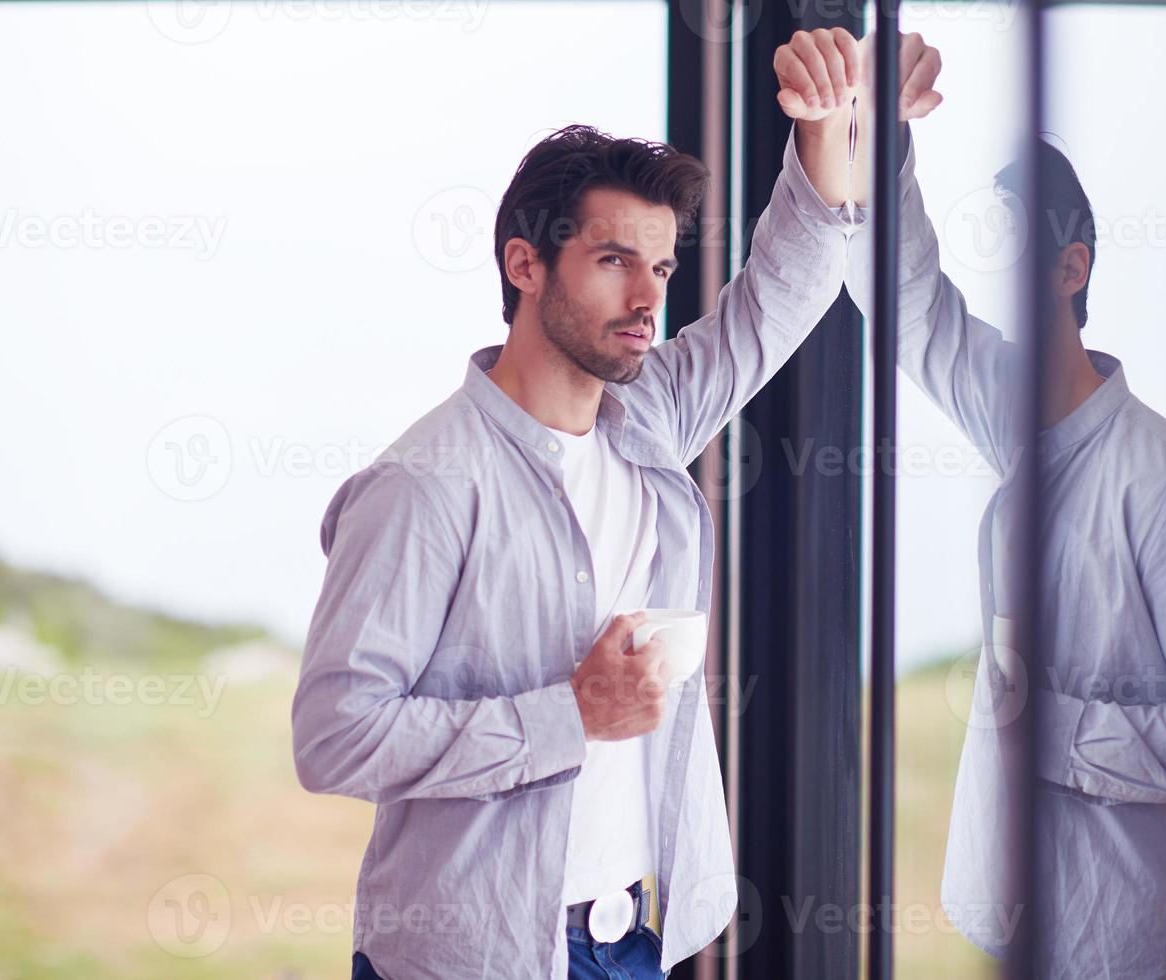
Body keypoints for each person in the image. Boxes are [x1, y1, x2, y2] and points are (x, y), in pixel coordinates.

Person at [291, 28, 944, 980]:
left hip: (633, 937)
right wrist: (572, 711)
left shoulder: (649, 420)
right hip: (473, 959)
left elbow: (781, 298)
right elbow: (336, 737)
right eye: (612, 262)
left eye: (664, 269)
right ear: (525, 265)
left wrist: (829, 128)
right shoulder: (423, 486)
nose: (648, 299)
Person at [841, 34, 1166, 979]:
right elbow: (907, 305)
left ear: (1070, 267)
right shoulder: (1017, 420)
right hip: (1016, 941)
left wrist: (1057, 729)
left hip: (1131, 953)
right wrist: (875, 141)